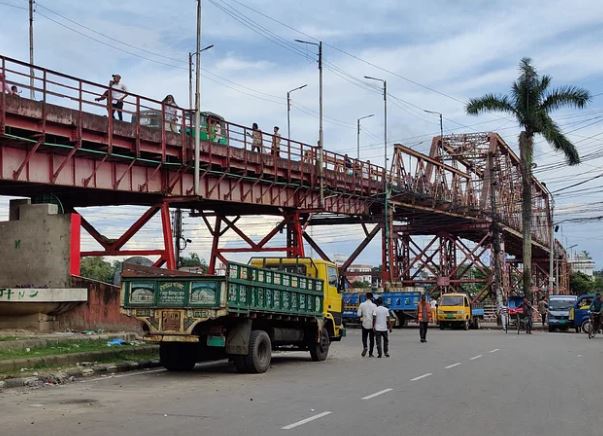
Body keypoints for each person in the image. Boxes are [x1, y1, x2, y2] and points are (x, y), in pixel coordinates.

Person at [357, 292, 377, 357]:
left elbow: (358, 314)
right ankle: (370, 353)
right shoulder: (374, 305)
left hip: (364, 323)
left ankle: (365, 346)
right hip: (372, 324)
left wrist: (362, 316)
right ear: (372, 297)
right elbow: (375, 316)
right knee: (372, 339)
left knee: (364, 337)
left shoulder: (362, 304)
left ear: (366, 297)